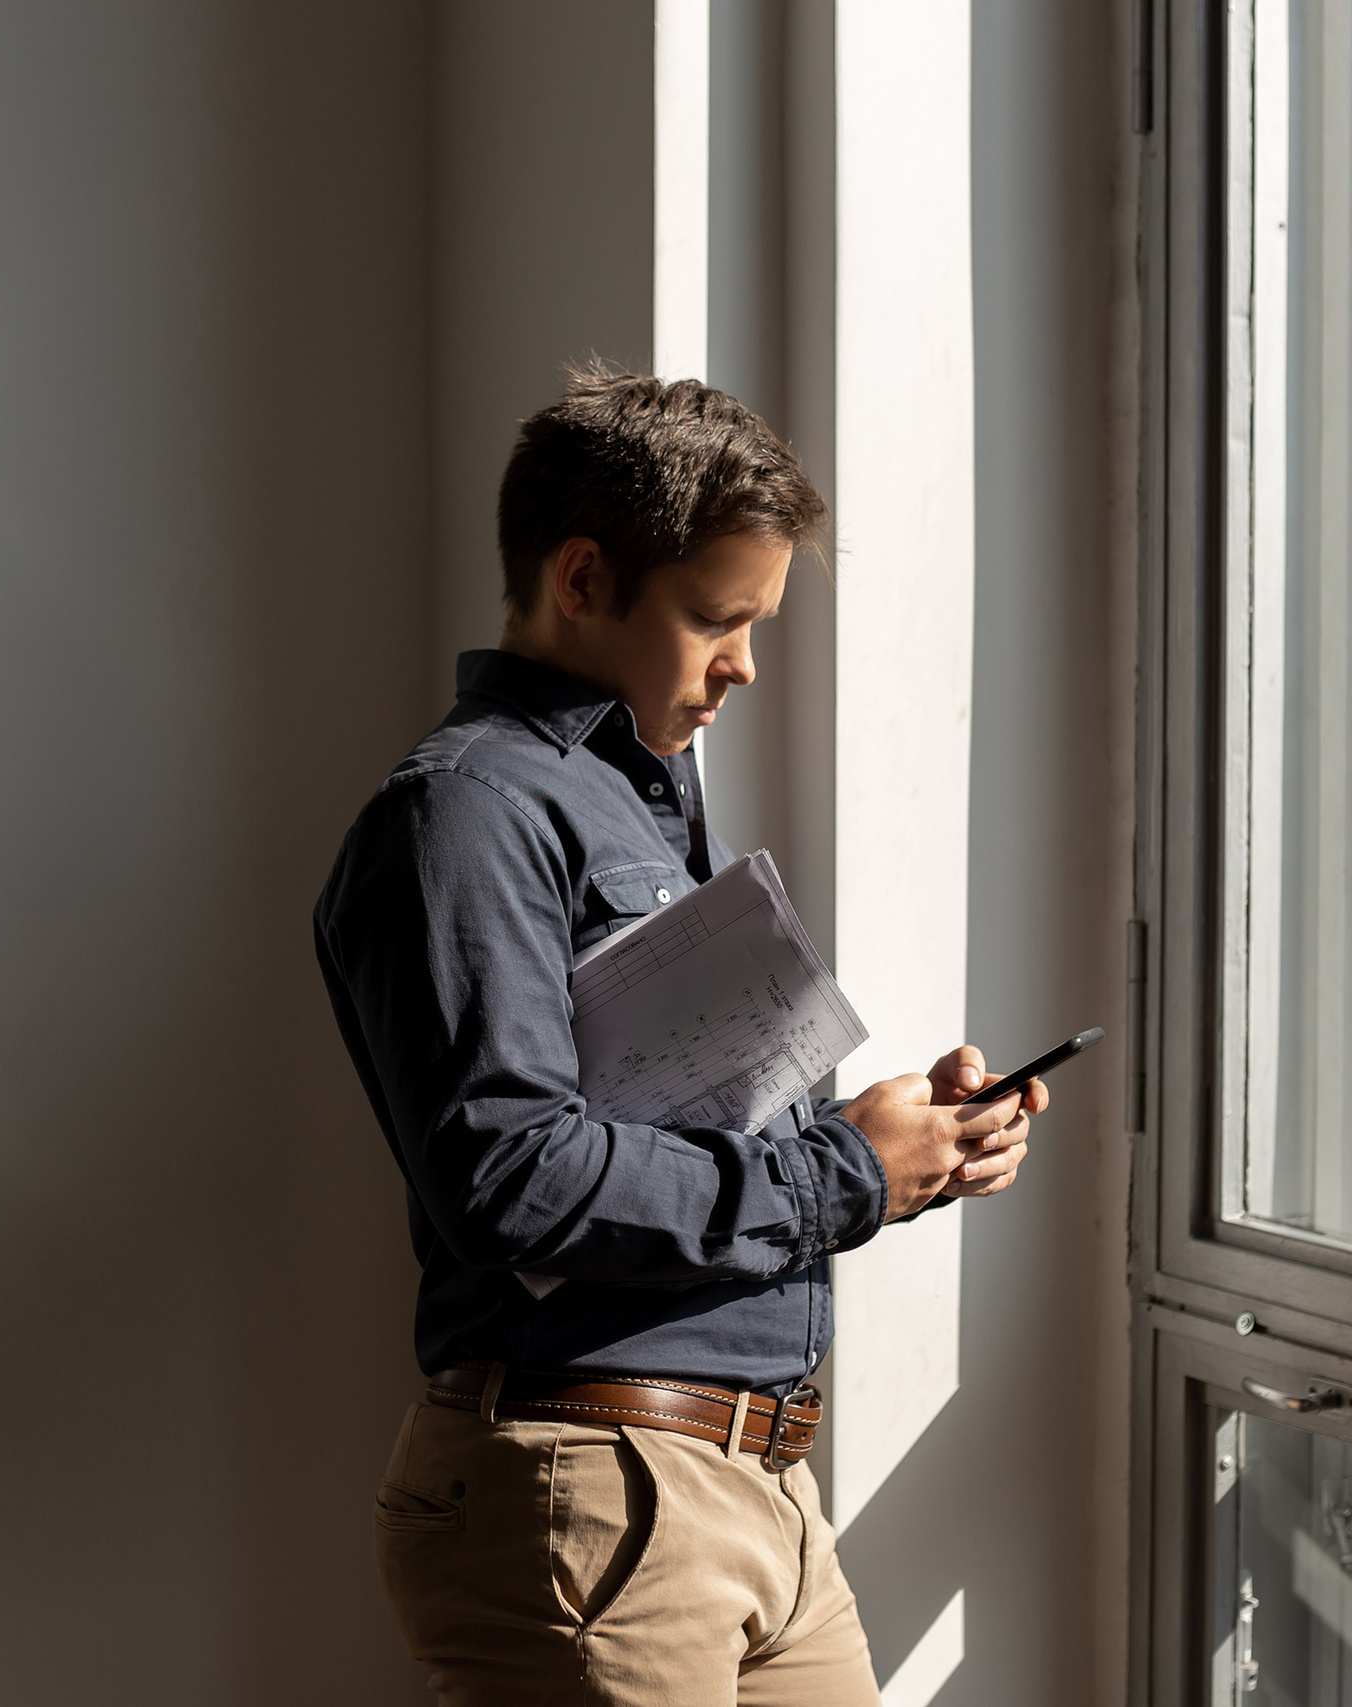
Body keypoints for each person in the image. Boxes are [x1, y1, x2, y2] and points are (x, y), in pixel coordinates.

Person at [312, 366, 1045, 1705]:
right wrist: (845, 1173)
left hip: (752, 1487)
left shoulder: (638, 801)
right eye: (716, 618)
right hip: (597, 1493)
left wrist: (904, 1149)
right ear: (582, 579)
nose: (743, 665)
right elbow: (509, 1177)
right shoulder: (465, 815)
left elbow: (677, 1129)